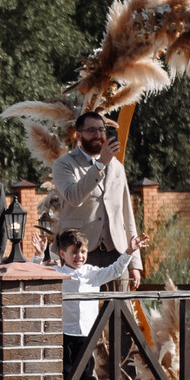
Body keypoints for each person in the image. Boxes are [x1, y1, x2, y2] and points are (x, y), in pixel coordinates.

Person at [52, 228, 146, 380]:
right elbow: (36, 273)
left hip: (86, 335)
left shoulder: (91, 273)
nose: (79, 257)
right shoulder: (57, 273)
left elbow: (114, 270)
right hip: (64, 333)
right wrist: (38, 255)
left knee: (82, 376)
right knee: (65, 374)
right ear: (63, 254)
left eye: (83, 252)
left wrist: (129, 252)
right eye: (74, 252)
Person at [52, 111, 141, 283]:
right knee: (81, 300)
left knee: (119, 301)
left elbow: (126, 214)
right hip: (78, 252)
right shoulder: (63, 164)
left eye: (101, 130)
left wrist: (134, 263)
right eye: (91, 130)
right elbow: (74, 197)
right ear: (79, 135)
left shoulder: (117, 167)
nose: (98, 135)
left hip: (116, 251)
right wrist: (100, 164)